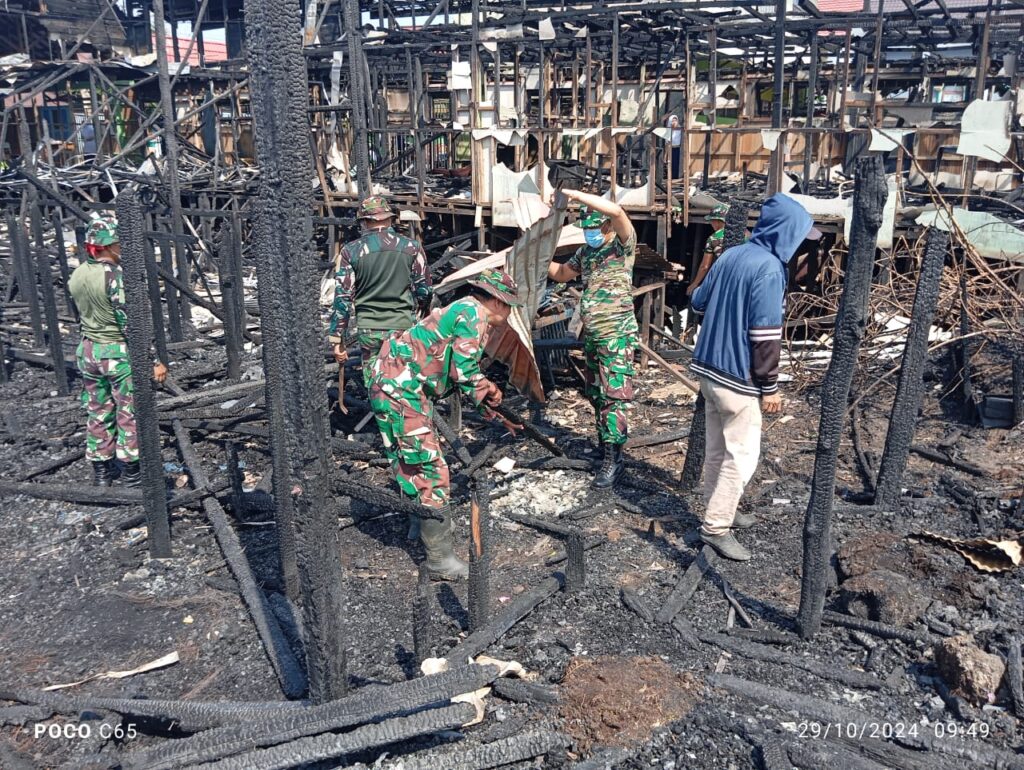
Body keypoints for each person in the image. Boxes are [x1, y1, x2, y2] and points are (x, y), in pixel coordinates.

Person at [688, 194, 821, 561]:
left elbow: (697, 301)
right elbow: (765, 336)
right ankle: (716, 528)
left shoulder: (732, 254)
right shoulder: (770, 269)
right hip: (738, 378)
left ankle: (719, 510)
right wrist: (771, 387)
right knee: (741, 456)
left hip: (707, 371)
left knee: (717, 449)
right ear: (786, 233)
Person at [367, 269, 522, 580]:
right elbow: (465, 369)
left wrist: (485, 398)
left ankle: (419, 523)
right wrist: (486, 391)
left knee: (410, 457)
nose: (509, 313)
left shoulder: (463, 309)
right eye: (508, 306)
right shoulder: (474, 313)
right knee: (431, 467)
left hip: (395, 382)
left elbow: (452, 369)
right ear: (496, 301)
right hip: (400, 387)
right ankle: (439, 559)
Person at [548, 189, 638, 490]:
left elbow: (617, 212)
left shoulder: (623, 246)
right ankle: (606, 446)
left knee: (614, 397)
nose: (589, 233)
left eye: (593, 228)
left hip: (616, 335)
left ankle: (615, 461)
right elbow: (561, 273)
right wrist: (536, 257)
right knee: (597, 394)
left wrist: (572, 194)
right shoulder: (586, 253)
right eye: (585, 228)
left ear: (607, 228)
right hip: (594, 336)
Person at [68, 216, 167, 487]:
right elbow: (130, 323)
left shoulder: (77, 274)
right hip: (116, 353)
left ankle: (102, 472)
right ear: (109, 245)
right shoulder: (114, 276)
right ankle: (132, 474)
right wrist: (153, 360)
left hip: (88, 351)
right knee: (128, 412)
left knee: (98, 410)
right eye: (119, 242)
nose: (122, 247)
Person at [328, 195, 433, 390]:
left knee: (376, 388)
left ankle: (381, 416)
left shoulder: (350, 251)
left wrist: (337, 340)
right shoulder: (411, 247)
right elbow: (424, 290)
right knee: (405, 384)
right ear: (391, 218)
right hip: (403, 327)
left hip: (369, 329)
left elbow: (342, 298)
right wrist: (423, 312)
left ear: (365, 222)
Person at [687, 203, 729, 296]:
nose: (711, 224)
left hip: (723, 278)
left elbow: (705, 266)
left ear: (718, 221)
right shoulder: (745, 234)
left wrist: (694, 284)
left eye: (712, 221)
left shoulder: (713, 238)